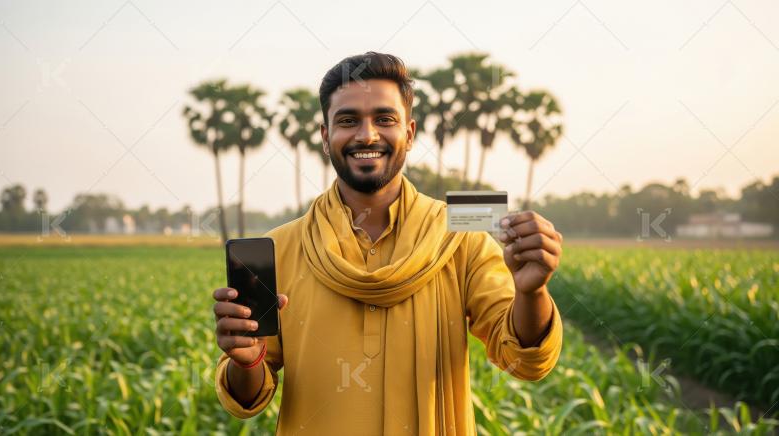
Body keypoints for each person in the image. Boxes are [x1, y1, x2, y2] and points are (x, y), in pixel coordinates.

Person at [212, 51, 564, 435]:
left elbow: (525, 361)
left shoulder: (462, 240)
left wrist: (532, 294)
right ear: (326, 137)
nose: (367, 134)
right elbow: (248, 399)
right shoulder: (277, 249)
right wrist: (245, 360)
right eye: (348, 121)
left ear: (409, 134)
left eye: (384, 119)